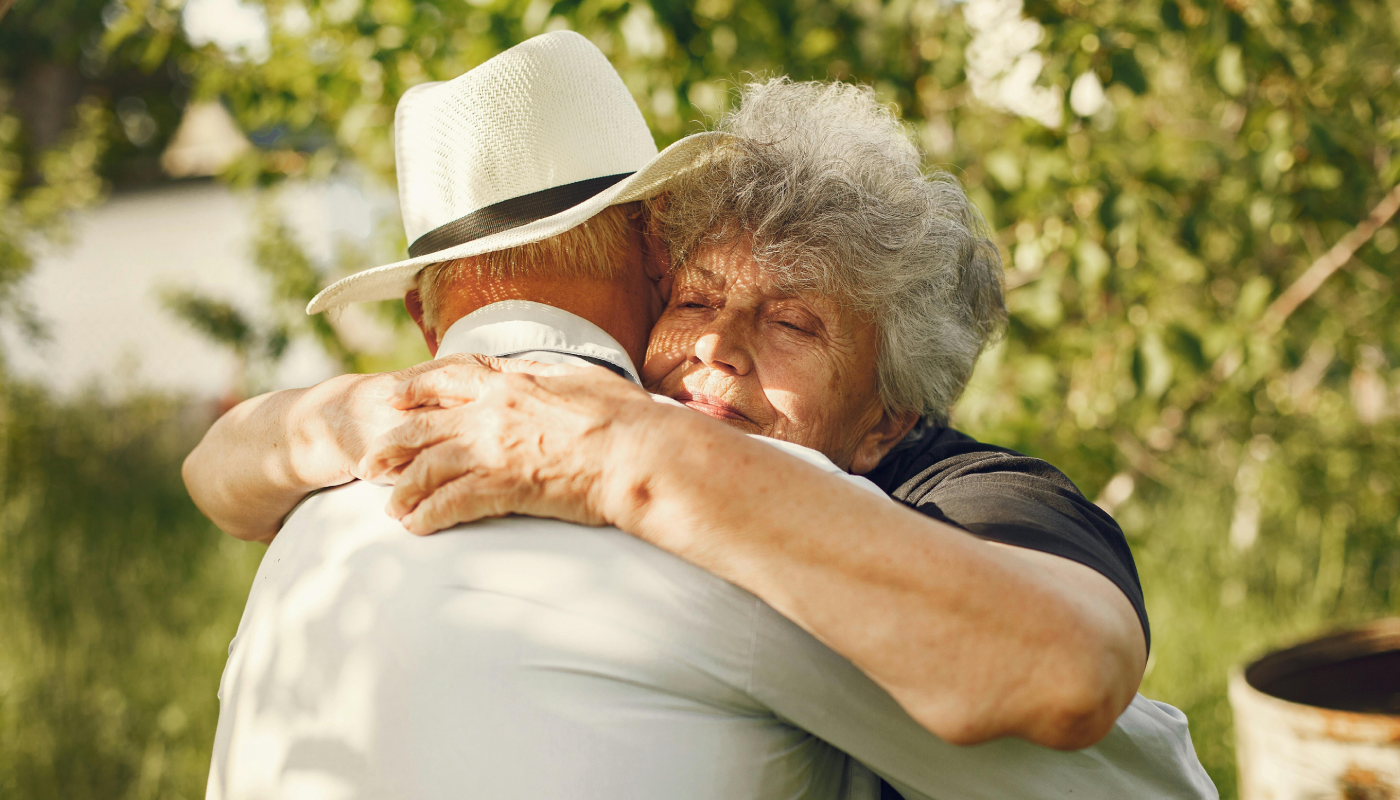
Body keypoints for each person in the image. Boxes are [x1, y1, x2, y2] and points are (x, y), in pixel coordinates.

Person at [194, 33, 1215, 799]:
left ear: (889, 412)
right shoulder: (497, 450)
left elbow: (1069, 676)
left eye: (792, 323)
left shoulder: (326, 523)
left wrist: (617, 452)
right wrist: (352, 414)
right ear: (650, 268)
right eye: (695, 299)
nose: (719, 348)